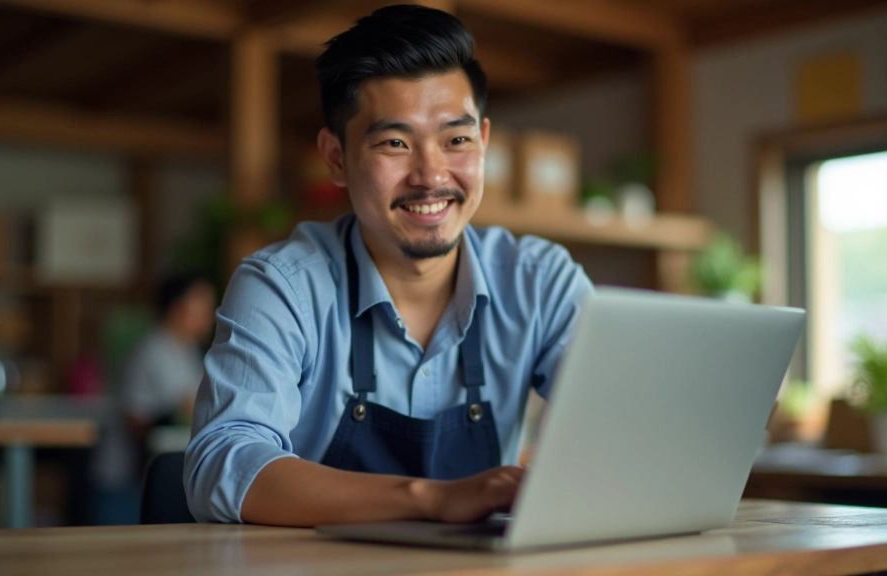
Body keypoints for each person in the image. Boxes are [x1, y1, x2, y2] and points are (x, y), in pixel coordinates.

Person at [185, 4, 593, 526]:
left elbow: (625, 420)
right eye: (395, 143)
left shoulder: (540, 281)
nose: (431, 174)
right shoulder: (283, 286)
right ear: (335, 157)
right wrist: (434, 499)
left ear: (484, 143)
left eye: (457, 140)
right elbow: (222, 465)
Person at [123, 274, 216, 437]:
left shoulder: (189, 347)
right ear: (177, 310)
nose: (211, 316)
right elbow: (186, 405)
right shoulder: (153, 350)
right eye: (204, 309)